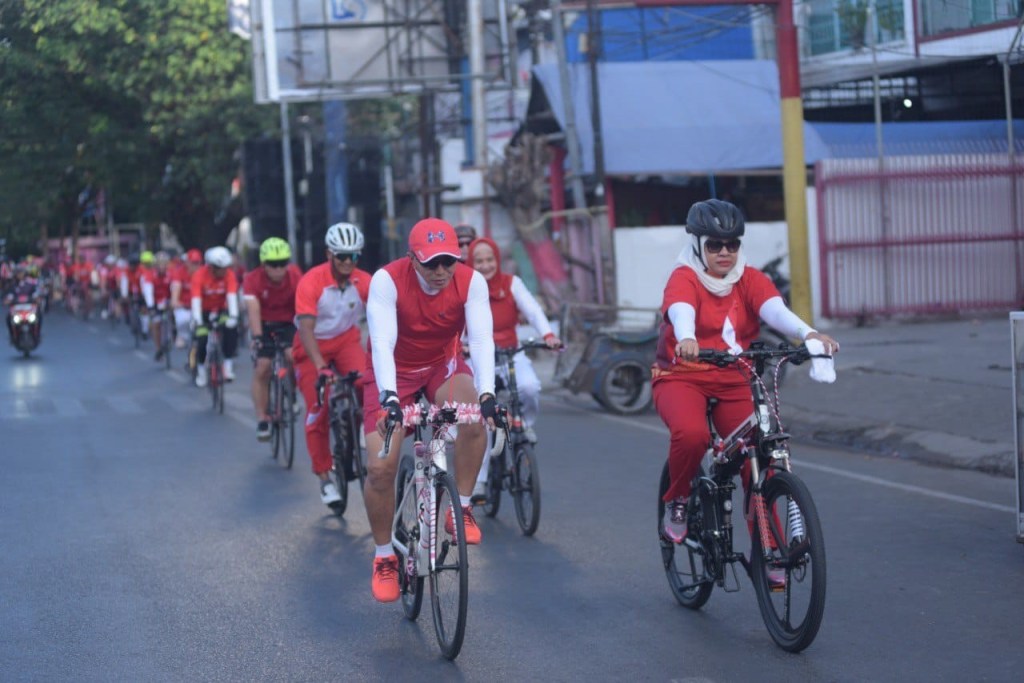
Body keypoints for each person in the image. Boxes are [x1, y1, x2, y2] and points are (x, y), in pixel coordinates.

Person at [653, 199, 840, 546]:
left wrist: (809, 334)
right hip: (682, 375)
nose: (725, 252)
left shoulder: (749, 278)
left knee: (756, 456)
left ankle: (769, 548)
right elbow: (681, 309)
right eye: (714, 245)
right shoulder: (685, 277)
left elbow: (774, 310)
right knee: (692, 435)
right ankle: (678, 499)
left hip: (733, 378)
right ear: (697, 244)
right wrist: (688, 337)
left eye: (732, 244)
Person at [362, 217, 496, 603]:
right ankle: (384, 556)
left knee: (475, 418)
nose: (440, 271)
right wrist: (390, 398)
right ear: (412, 259)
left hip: (441, 365)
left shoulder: (471, 281)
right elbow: (382, 342)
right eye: (430, 263)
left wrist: (487, 394)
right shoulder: (387, 280)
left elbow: (481, 340)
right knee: (381, 467)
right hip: (394, 372)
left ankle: (462, 508)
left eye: (448, 262)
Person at [466, 236, 561, 499]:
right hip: (476, 357)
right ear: (471, 263)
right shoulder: (465, 286)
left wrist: (548, 335)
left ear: (497, 260)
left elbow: (533, 311)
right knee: (483, 416)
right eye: (479, 261)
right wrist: (460, 345)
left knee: (529, 387)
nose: (485, 265)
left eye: (490, 259)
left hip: (510, 354)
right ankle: (480, 480)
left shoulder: (512, 283)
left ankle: (524, 424)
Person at [293, 223, 372, 507]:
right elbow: (305, 329)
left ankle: (361, 427)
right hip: (312, 346)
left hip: (346, 341)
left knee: (367, 382)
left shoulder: (364, 281)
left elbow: (384, 315)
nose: (348, 262)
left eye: (354, 256)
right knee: (318, 407)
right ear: (329, 254)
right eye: (342, 256)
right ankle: (325, 477)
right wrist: (320, 366)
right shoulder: (311, 281)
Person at [243, 237, 303, 442]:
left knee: (293, 356)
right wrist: (257, 337)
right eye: (273, 264)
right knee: (263, 367)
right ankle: (262, 418)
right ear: (263, 264)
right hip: (264, 324)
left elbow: (302, 305)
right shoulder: (253, 279)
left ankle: (291, 393)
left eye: (282, 263)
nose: (278, 269)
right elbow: (253, 309)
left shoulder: (294, 276)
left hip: (288, 323)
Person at [190, 246, 240, 387]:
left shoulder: (229, 275)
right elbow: (196, 300)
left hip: (221, 311)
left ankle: (228, 367)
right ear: (211, 267)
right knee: (202, 339)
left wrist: (233, 316)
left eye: (225, 267)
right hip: (203, 312)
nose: (223, 271)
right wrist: (198, 320)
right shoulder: (199, 275)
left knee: (231, 331)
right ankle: (201, 372)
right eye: (219, 268)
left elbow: (231, 297)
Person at [141, 251, 174, 360]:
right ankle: (158, 348)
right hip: (155, 302)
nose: (162, 266)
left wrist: (174, 301)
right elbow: (148, 291)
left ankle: (172, 335)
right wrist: (151, 306)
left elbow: (175, 288)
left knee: (173, 317)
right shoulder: (150, 275)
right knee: (156, 324)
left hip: (168, 301)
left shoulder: (171, 274)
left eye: (164, 264)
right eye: (159, 264)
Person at [170, 249, 203, 350]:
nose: (195, 265)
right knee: (182, 320)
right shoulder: (179, 272)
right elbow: (176, 289)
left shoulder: (203, 273)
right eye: (193, 262)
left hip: (200, 305)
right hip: (184, 306)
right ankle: (181, 335)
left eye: (197, 263)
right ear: (187, 262)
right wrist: (175, 301)